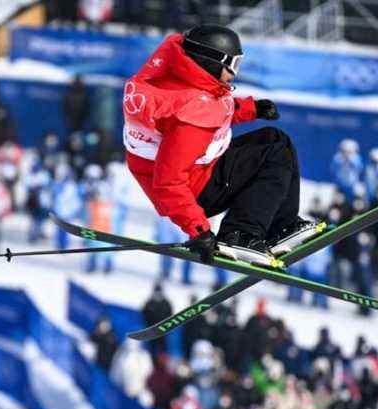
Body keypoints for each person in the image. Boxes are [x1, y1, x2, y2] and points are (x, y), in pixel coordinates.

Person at [123, 25, 321, 266]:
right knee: (274, 150)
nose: (234, 73)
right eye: (234, 64)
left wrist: (250, 109)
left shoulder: (177, 79)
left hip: (198, 175)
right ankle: (240, 234)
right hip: (195, 192)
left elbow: (213, 108)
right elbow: (168, 181)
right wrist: (198, 229)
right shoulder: (191, 118)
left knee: (274, 141)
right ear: (212, 61)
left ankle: (280, 226)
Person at [141, 283, 174, 363]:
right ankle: (152, 363)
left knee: (163, 350)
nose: (158, 295)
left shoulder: (166, 303)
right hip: (152, 331)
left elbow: (170, 316)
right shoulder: (149, 303)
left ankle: (163, 363)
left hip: (163, 332)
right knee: (151, 349)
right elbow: (144, 315)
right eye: (156, 292)